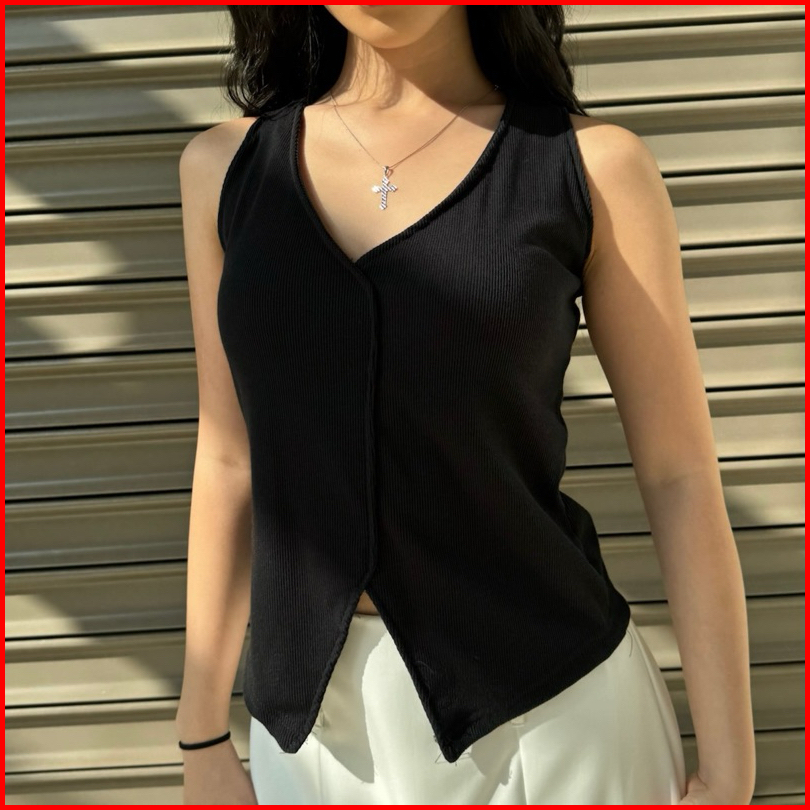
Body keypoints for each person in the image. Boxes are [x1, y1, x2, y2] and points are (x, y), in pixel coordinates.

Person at [175, 5, 756, 806]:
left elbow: (679, 475)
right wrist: (201, 735)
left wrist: (728, 771)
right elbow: (228, 456)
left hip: (556, 726)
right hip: (314, 745)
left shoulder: (591, 167)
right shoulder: (223, 170)